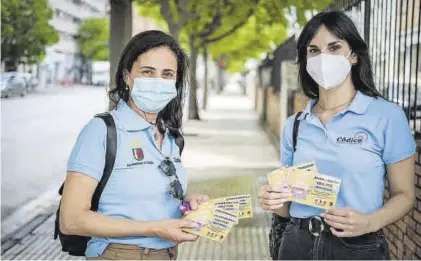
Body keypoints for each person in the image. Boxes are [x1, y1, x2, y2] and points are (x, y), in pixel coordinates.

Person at [259, 11, 415, 260]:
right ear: (305, 59)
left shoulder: (386, 116)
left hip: (358, 247)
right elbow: (287, 206)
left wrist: (370, 222)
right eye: (314, 50)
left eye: (334, 47)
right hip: (297, 245)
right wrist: (273, 199)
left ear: (353, 55)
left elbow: (405, 195)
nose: (323, 58)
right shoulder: (295, 125)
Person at [59, 30, 208, 260]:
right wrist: (153, 228)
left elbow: (150, 195)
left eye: (167, 74)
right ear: (127, 76)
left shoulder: (170, 136)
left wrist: (187, 202)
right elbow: (71, 220)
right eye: (147, 72)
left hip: (167, 254)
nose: (158, 82)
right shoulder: (101, 131)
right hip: (118, 254)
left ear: (176, 83)